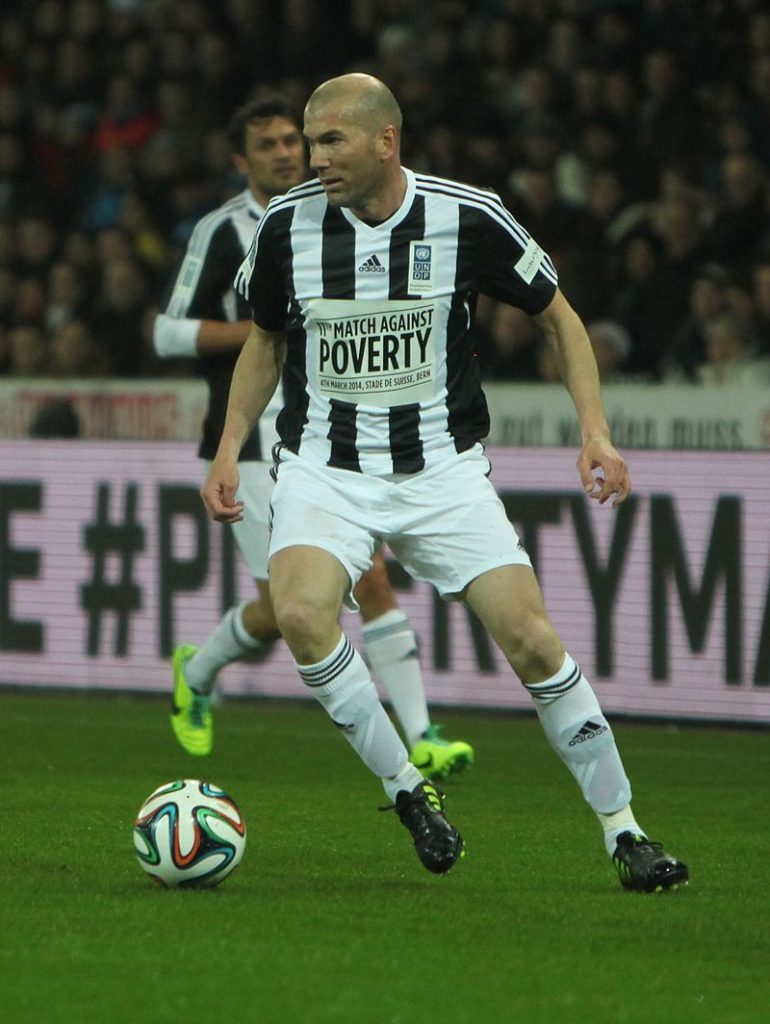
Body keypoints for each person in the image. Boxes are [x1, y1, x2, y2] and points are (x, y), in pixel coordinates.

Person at [202, 73, 689, 889]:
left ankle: (624, 830)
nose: (312, 158)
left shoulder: (466, 215)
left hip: (442, 472)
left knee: (533, 640)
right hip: (326, 466)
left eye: (331, 141)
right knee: (299, 613)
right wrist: (228, 449)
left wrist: (594, 431)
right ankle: (407, 791)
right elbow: (267, 340)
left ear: (385, 140)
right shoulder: (288, 227)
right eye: (308, 141)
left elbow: (560, 318)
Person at [153, 93, 472, 781]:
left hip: (329, 441)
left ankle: (420, 734)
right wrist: (266, 326)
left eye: (289, 143)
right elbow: (167, 330)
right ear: (242, 160)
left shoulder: (344, 217)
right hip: (252, 444)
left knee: (344, 587)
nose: (284, 154)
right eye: (265, 145)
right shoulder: (224, 230)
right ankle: (201, 674)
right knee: (300, 603)